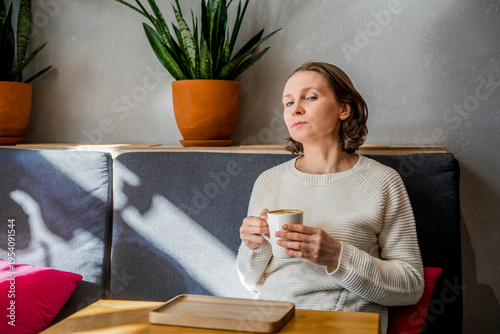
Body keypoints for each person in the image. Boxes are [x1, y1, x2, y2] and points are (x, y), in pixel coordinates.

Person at [236, 61, 424, 334]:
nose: (295, 109)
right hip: (270, 322)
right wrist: (254, 246)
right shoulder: (268, 181)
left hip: (343, 324)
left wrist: (336, 256)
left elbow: (411, 286)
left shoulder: (383, 181)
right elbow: (250, 281)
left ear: (344, 108)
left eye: (309, 97)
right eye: (288, 103)